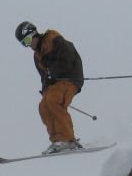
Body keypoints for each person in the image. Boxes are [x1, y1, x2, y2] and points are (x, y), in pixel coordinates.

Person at [15, 21, 84, 154]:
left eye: (28, 40)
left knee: (53, 100)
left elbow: (68, 54)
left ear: (34, 34)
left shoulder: (52, 39)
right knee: (43, 106)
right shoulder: (37, 56)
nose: (29, 45)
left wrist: (53, 72)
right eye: (24, 43)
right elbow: (44, 76)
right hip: (55, 83)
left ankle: (67, 139)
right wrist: (45, 89)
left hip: (69, 78)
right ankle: (57, 140)